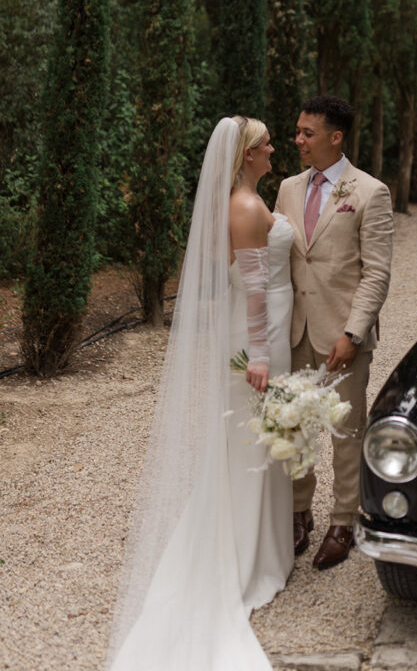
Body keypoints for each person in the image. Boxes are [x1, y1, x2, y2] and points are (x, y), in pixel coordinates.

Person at [106, 116, 294, 671]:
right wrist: (259, 355)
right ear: (245, 155)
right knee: (250, 444)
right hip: (260, 334)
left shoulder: (246, 200)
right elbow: (255, 288)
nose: (273, 148)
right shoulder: (243, 206)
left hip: (266, 325)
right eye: (265, 144)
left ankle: (266, 553)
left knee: (259, 440)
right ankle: (246, 560)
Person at [275, 95, 394, 569]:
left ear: (335, 136)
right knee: (294, 425)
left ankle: (344, 520)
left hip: (342, 336)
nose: (298, 140)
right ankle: (298, 512)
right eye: (298, 131)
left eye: (307, 133)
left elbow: (376, 273)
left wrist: (354, 332)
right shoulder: (286, 188)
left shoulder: (370, 192)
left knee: (346, 431)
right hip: (292, 331)